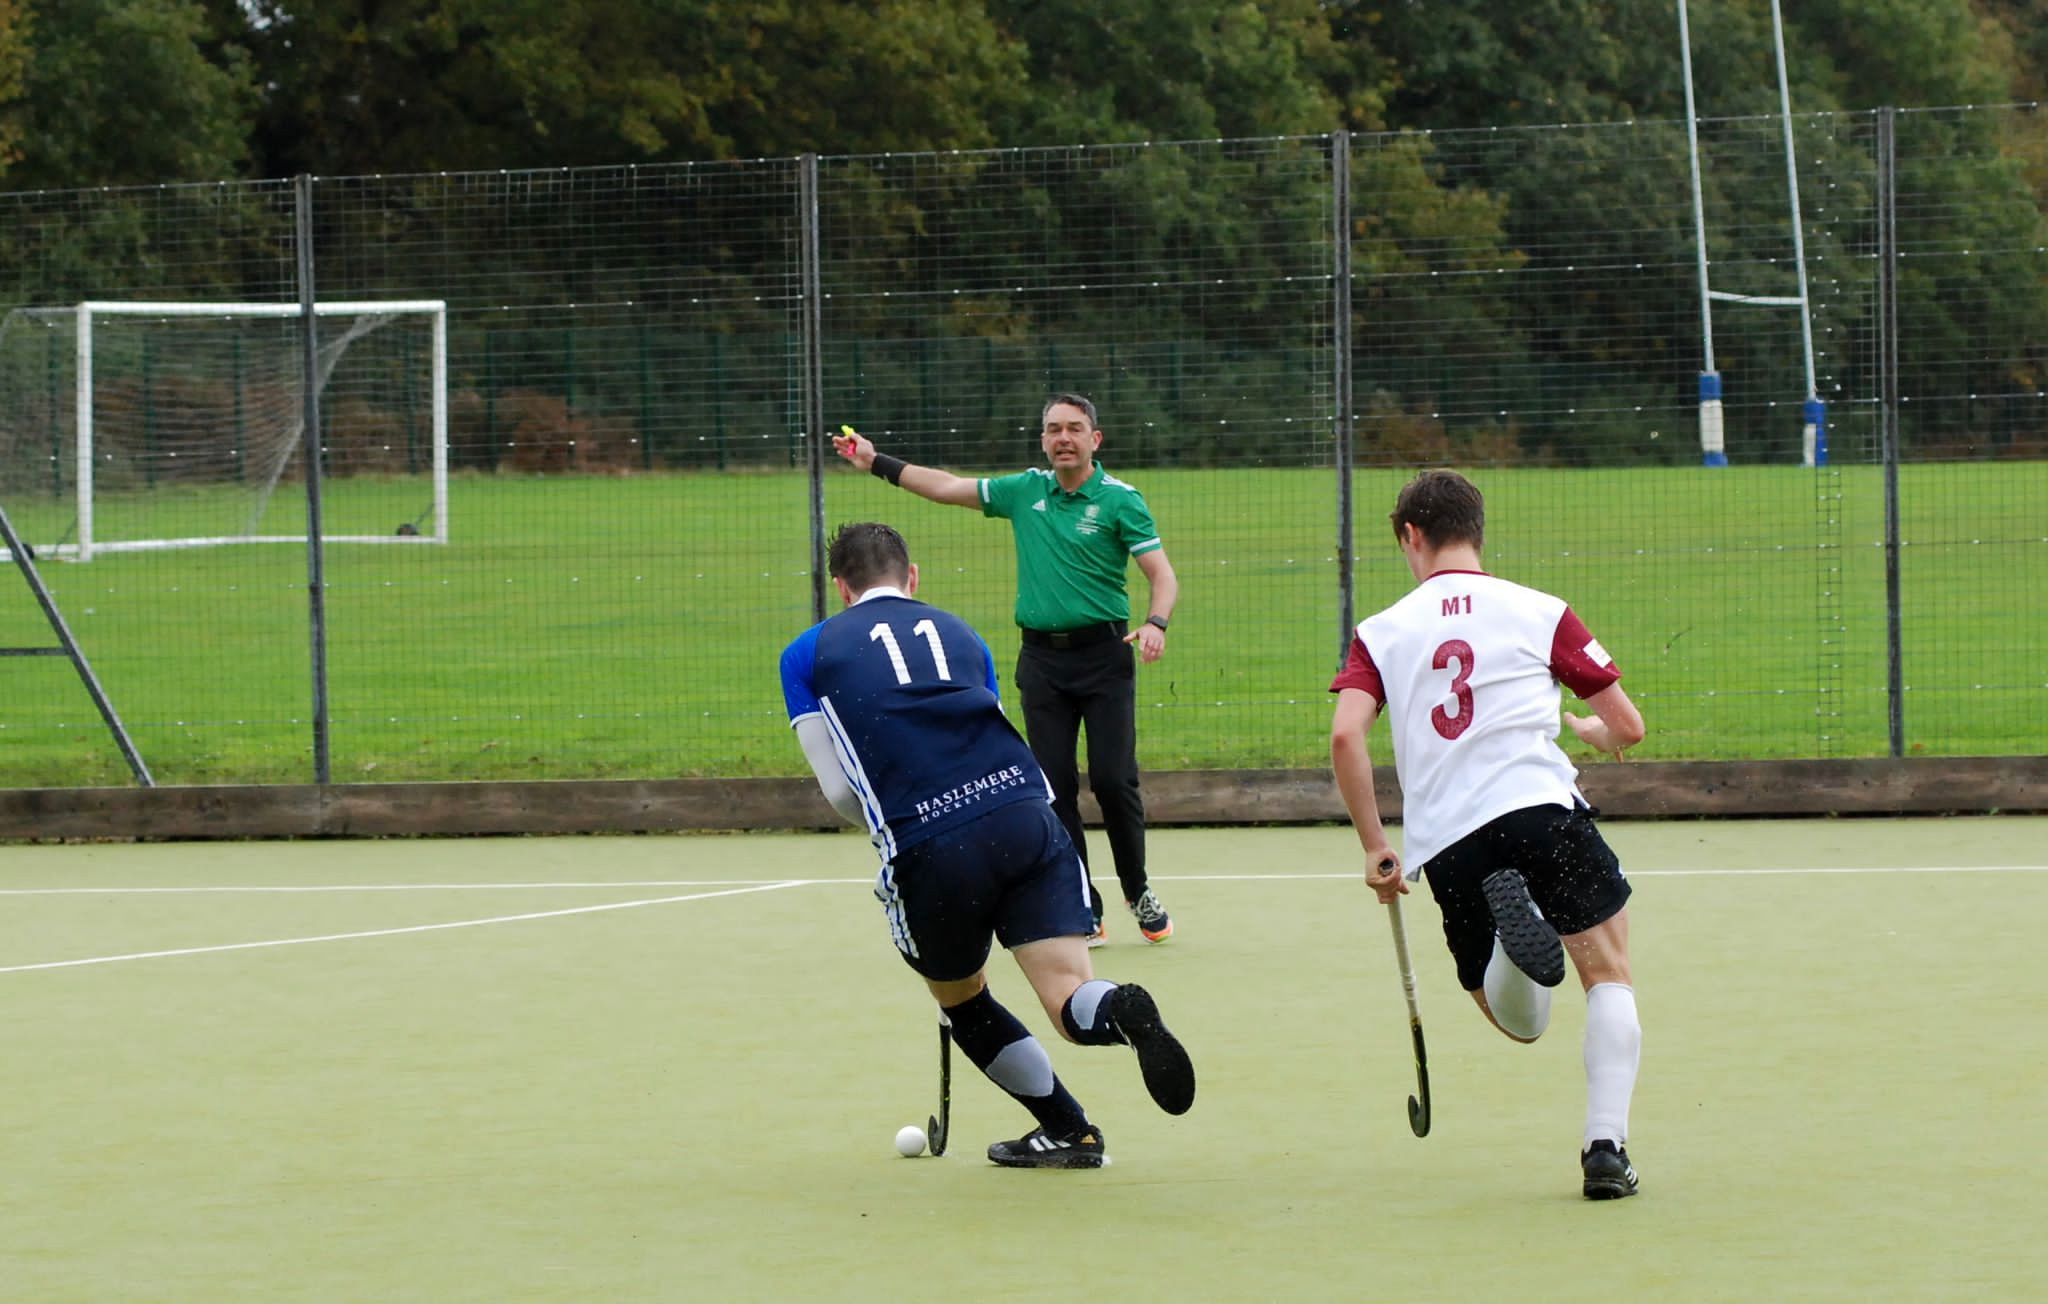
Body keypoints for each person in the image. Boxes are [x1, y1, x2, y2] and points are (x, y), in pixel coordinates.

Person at [779, 521, 1195, 1168]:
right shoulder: (961, 634)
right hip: (1027, 816)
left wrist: (892, 836)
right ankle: (1115, 1008)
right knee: (1067, 995)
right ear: (911, 577)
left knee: (963, 997)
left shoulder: (807, 654)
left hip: (932, 841)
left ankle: (1069, 1127)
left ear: (841, 588)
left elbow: (839, 790)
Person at [1327, 469, 1648, 1200]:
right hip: (1539, 806)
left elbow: (1347, 737)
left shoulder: (1381, 631)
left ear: (1412, 536)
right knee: (1608, 971)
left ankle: (1514, 937)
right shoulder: (1540, 611)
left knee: (1519, 1024)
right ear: (1477, 530)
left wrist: (1377, 846)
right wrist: (1597, 734)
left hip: (1449, 840)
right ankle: (1606, 1148)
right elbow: (1628, 723)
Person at [832, 395, 1179, 947]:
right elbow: (946, 486)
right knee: (1054, 787)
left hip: (1105, 657)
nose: (1063, 437)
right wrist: (876, 461)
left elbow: (1162, 575)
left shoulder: (1120, 501)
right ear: (1043, 440)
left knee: (1114, 781)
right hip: (1042, 661)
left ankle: (1137, 889)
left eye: (1074, 429)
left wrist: (1156, 622)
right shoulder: (1025, 491)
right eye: (1053, 430)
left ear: (1096, 439)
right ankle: (1083, 903)